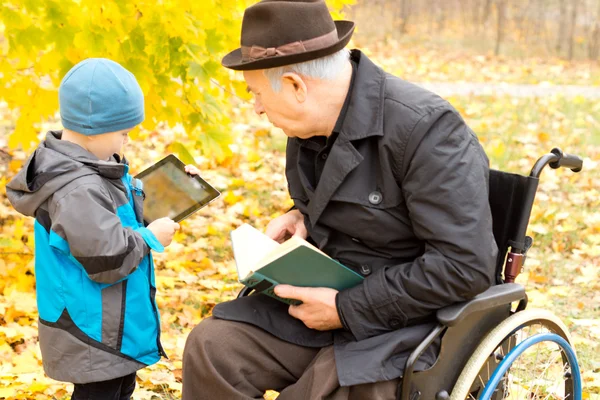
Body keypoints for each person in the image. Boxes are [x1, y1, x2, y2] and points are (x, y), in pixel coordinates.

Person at [182, 0, 498, 398]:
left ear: (297, 86)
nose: (257, 108)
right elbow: (354, 199)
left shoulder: (427, 131)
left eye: (257, 93)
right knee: (214, 346)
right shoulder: (306, 129)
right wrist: (302, 216)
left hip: (411, 324)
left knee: (318, 389)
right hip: (326, 303)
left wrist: (346, 309)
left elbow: (463, 266)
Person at [6, 58, 180, 400]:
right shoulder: (77, 188)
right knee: (101, 393)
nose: (126, 142)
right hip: (92, 329)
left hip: (107, 323)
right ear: (92, 128)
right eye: (123, 133)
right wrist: (150, 238)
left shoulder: (88, 167)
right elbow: (107, 257)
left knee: (120, 387)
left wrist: (166, 190)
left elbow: (114, 214)